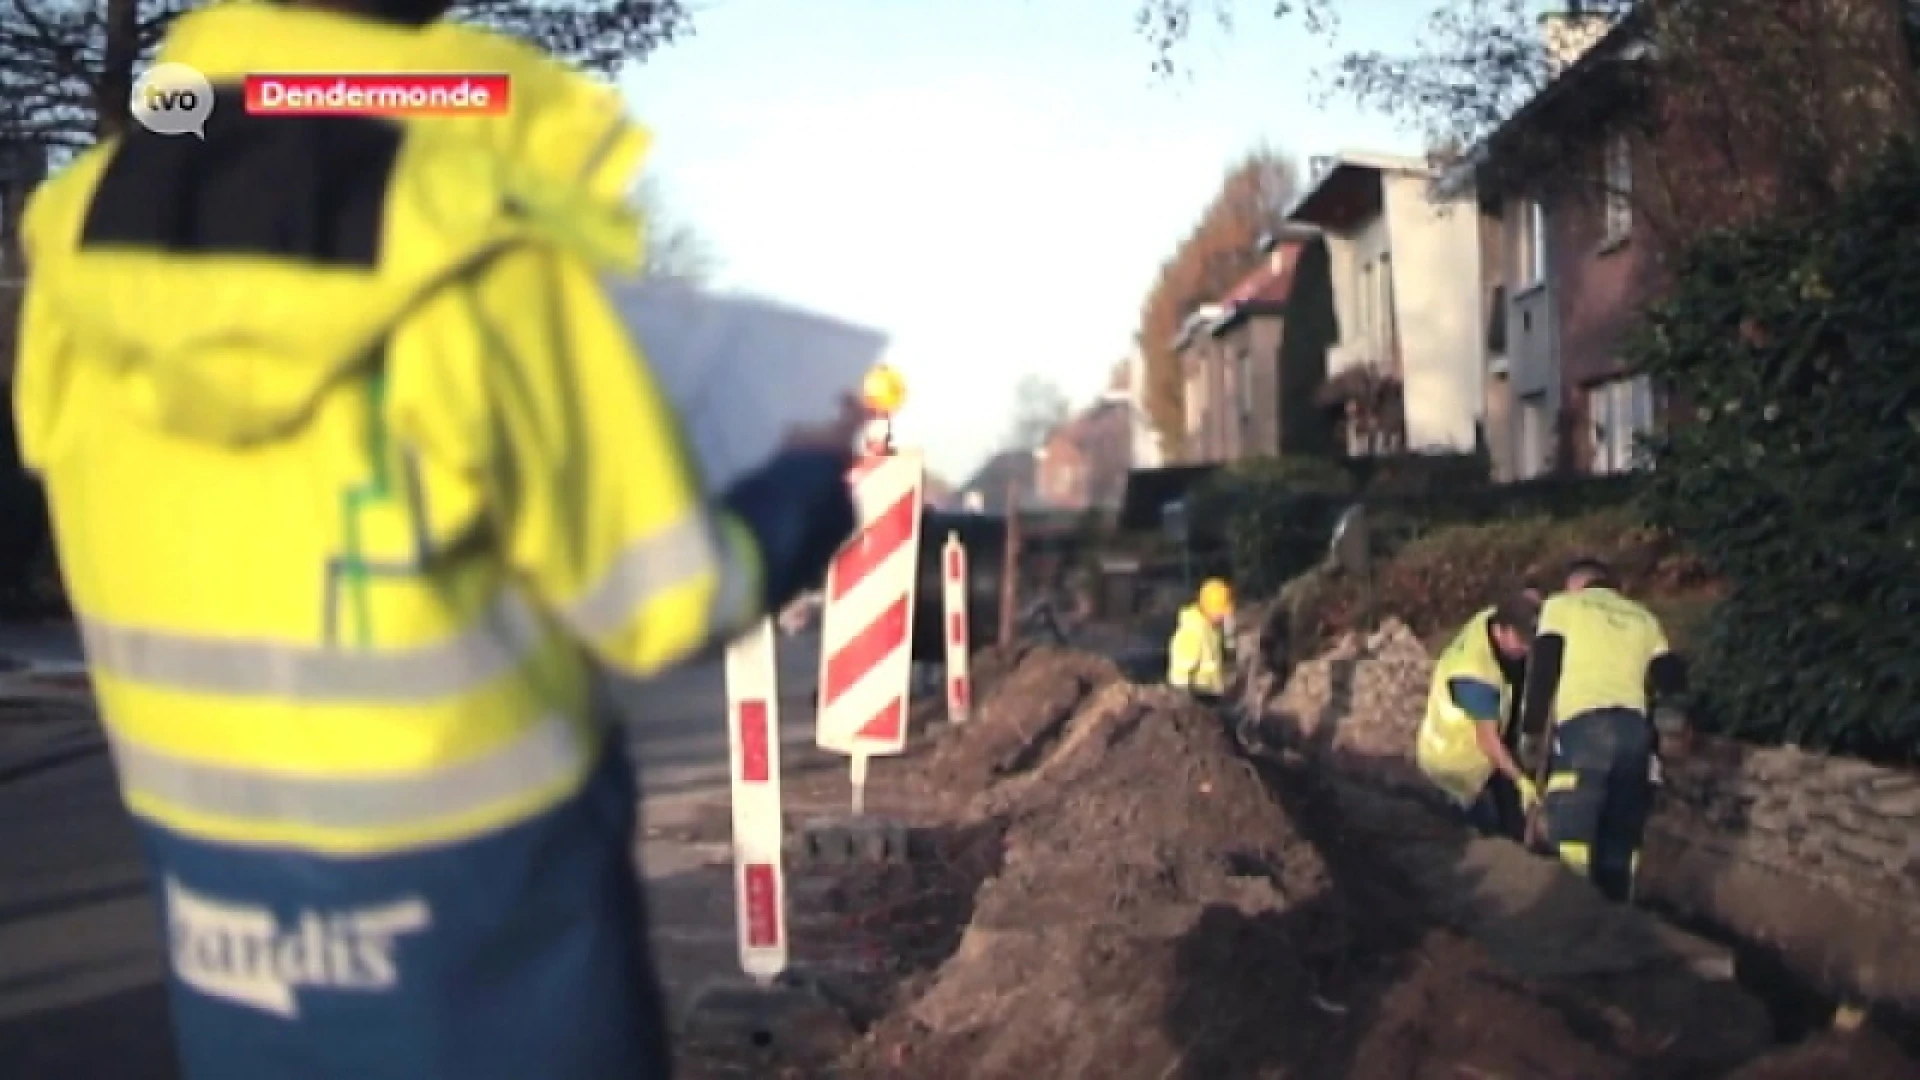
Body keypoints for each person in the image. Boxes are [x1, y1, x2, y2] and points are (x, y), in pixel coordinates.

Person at [11, 3, 861, 1077]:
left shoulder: (77, 245)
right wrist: (804, 475)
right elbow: (665, 597)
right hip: (496, 958)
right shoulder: (475, 244)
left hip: (224, 935)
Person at [1517, 558, 1687, 904]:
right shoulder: (1644, 618)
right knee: (1621, 833)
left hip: (1584, 728)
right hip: (1634, 733)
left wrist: (1531, 732)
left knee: (1573, 831)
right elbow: (1670, 679)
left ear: (1576, 584)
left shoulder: (1562, 606)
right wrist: (1670, 728)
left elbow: (1544, 668)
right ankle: (1620, 912)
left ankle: (1574, 913)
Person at [1415, 591, 1540, 838]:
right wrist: (1521, 781)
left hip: (1479, 743)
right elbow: (1489, 741)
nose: (1525, 650)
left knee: (1508, 810)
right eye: (1521, 641)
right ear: (1501, 629)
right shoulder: (1477, 677)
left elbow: (1526, 598)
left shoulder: (1490, 619)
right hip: (1455, 763)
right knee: (1484, 831)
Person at [1168, 577, 1234, 700]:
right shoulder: (1191, 633)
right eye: (1221, 612)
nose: (1225, 616)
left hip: (1213, 696)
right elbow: (1178, 681)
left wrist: (1229, 633)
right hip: (1199, 701)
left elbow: (1226, 653)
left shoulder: (1212, 628)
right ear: (1210, 608)